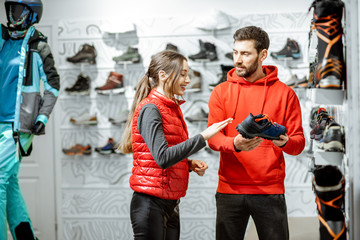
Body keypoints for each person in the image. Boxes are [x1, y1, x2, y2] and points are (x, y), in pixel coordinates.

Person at [119, 50, 232, 240]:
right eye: (182, 74)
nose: (187, 80)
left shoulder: (171, 107)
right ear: (162, 75)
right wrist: (203, 137)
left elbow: (162, 155)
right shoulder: (151, 109)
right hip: (150, 204)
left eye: (187, 74)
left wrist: (187, 164)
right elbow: (162, 158)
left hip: (169, 202)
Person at [207, 26, 305, 240]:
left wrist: (284, 142)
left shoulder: (285, 94)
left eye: (245, 53)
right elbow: (213, 138)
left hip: (269, 191)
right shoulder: (220, 92)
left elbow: (298, 143)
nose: (238, 59)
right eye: (235, 52)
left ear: (262, 55)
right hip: (229, 190)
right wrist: (235, 143)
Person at [0, 0, 60, 239]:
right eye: (10, 8)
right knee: (10, 183)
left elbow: (53, 86)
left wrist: (42, 117)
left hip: (16, 128)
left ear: (30, 14)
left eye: (17, 9)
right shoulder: (3, 40)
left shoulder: (38, 47)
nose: (12, 13)